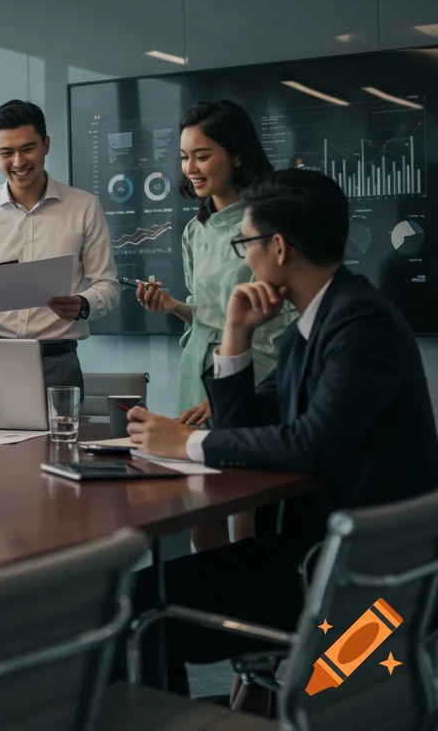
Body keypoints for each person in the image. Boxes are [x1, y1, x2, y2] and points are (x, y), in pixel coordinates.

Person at [125, 170, 438, 694]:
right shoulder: (312, 324)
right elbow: (249, 425)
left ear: (278, 246)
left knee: (138, 615)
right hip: (314, 548)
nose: (245, 258)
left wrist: (187, 443)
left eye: (246, 242)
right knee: (132, 594)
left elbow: (311, 443)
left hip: (355, 577)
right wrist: (235, 334)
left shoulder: (361, 324)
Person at [135, 101, 296, 550]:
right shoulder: (195, 229)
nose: (191, 169)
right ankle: (206, 609)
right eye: (185, 157)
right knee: (197, 501)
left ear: (237, 154)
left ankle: (244, 601)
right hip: (198, 368)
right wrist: (175, 307)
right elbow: (209, 314)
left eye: (202, 155)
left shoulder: (265, 222)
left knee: (243, 498)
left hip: (254, 367)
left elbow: (281, 316)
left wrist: (229, 390)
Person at [0, 99, 120, 389]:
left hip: (58, 363)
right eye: (7, 152)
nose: (18, 162)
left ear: (46, 144)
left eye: (28, 148)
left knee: (63, 436)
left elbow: (108, 284)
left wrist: (83, 304)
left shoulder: (85, 207)